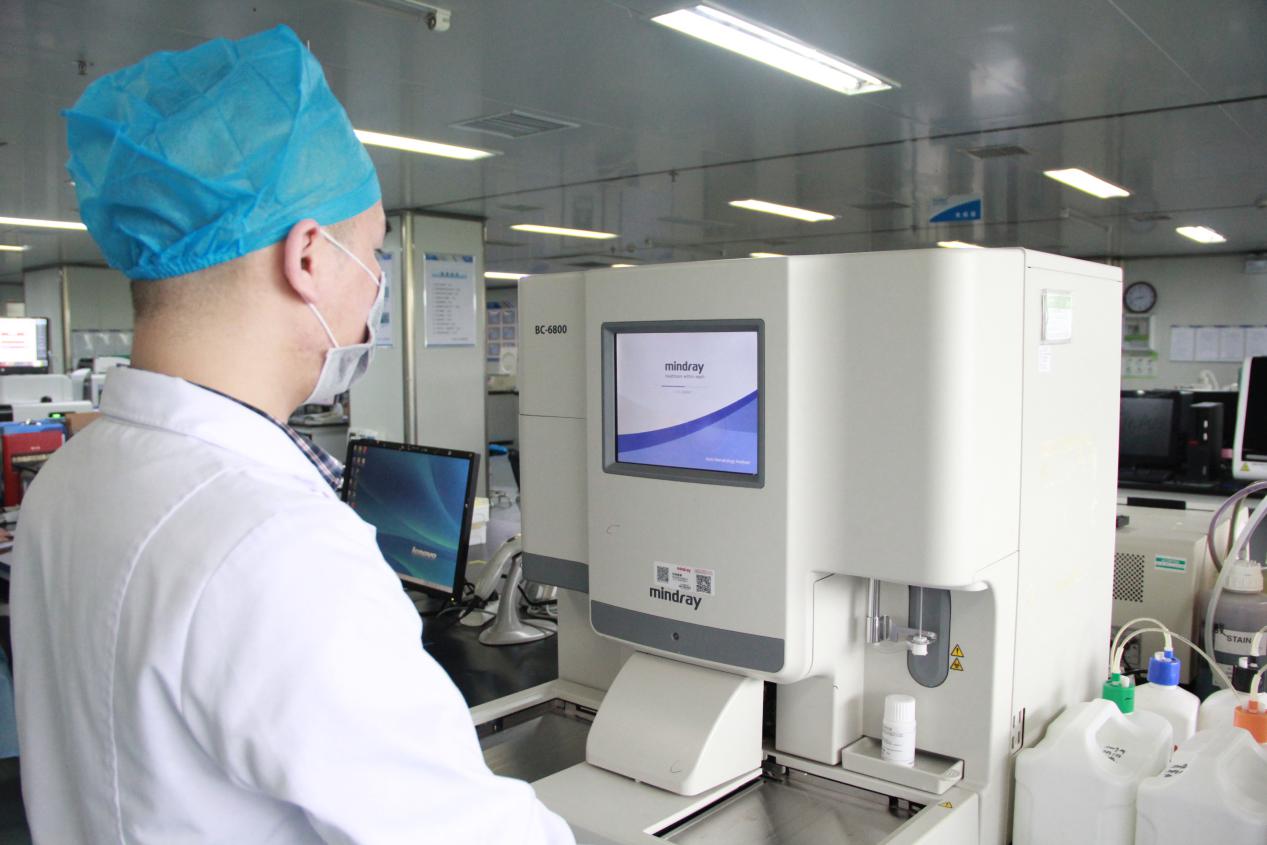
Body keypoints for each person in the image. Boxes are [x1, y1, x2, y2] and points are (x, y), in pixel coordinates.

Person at [11, 26, 574, 844]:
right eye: (373, 253)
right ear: (308, 255)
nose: (374, 288)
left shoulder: (74, 473)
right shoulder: (274, 540)